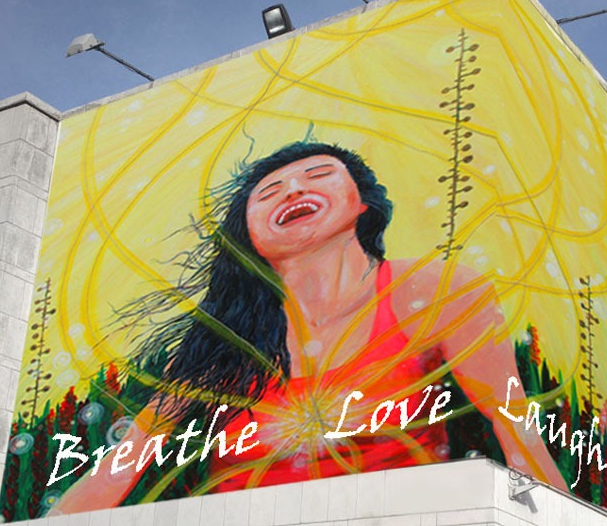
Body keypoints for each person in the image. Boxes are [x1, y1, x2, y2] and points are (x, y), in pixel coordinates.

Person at [50, 141, 565, 513]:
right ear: (247, 235)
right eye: (268, 191)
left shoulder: (431, 289)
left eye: (319, 174)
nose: (293, 189)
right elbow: (124, 462)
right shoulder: (227, 337)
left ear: (362, 202)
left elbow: (514, 427)